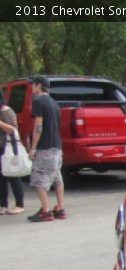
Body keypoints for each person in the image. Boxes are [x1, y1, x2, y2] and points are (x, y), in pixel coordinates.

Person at [27, 75, 66, 222]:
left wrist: (33, 148)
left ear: (38, 86)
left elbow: (38, 126)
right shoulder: (55, 103)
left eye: (33, 85)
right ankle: (60, 208)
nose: (31, 87)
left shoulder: (38, 102)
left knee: (39, 178)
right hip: (57, 147)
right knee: (57, 178)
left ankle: (45, 210)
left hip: (44, 147)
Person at [0, 89, 25, 215]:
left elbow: (12, 130)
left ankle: (20, 204)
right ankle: (3, 205)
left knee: (13, 175)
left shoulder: (6, 111)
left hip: (7, 148)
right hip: (1, 149)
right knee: (2, 177)